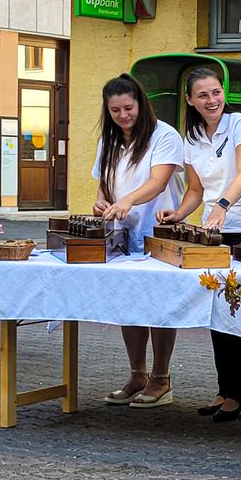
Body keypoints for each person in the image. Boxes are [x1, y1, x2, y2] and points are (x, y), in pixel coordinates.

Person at [156, 68, 241, 422]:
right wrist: (178, 213)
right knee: (217, 311)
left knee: (237, 309)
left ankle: (239, 393)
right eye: (203, 95)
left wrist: (222, 207)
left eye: (216, 92)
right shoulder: (190, 137)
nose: (212, 100)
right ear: (190, 100)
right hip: (213, 232)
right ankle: (225, 389)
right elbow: (195, 191)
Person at [94, 73, 184, 408]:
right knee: (127, 305)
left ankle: (161, 378)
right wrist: (102, 201)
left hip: (157, 232)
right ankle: (137, 374)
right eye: (115, 111)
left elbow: (159, 182)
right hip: (121, 235)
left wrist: (128, 200)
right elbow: (103, 183)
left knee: (159, 306)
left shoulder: (164, 135)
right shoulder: (110, 139)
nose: (122, 116)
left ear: (140, 104)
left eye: (127, 108)